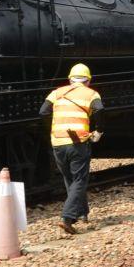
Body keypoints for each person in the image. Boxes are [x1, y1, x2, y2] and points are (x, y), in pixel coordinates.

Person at [40, 63, 103, 235]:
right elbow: (99, 109)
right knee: (80, 180)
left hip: (58, 142)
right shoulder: (91, 93)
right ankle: (68, 218)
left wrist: (54, 128)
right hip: (78, 142)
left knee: (70, 178)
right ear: (88, 81)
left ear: (69, 79)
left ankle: (82, 213)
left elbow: (43, 112)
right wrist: (98, 130)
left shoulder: (56, 92)